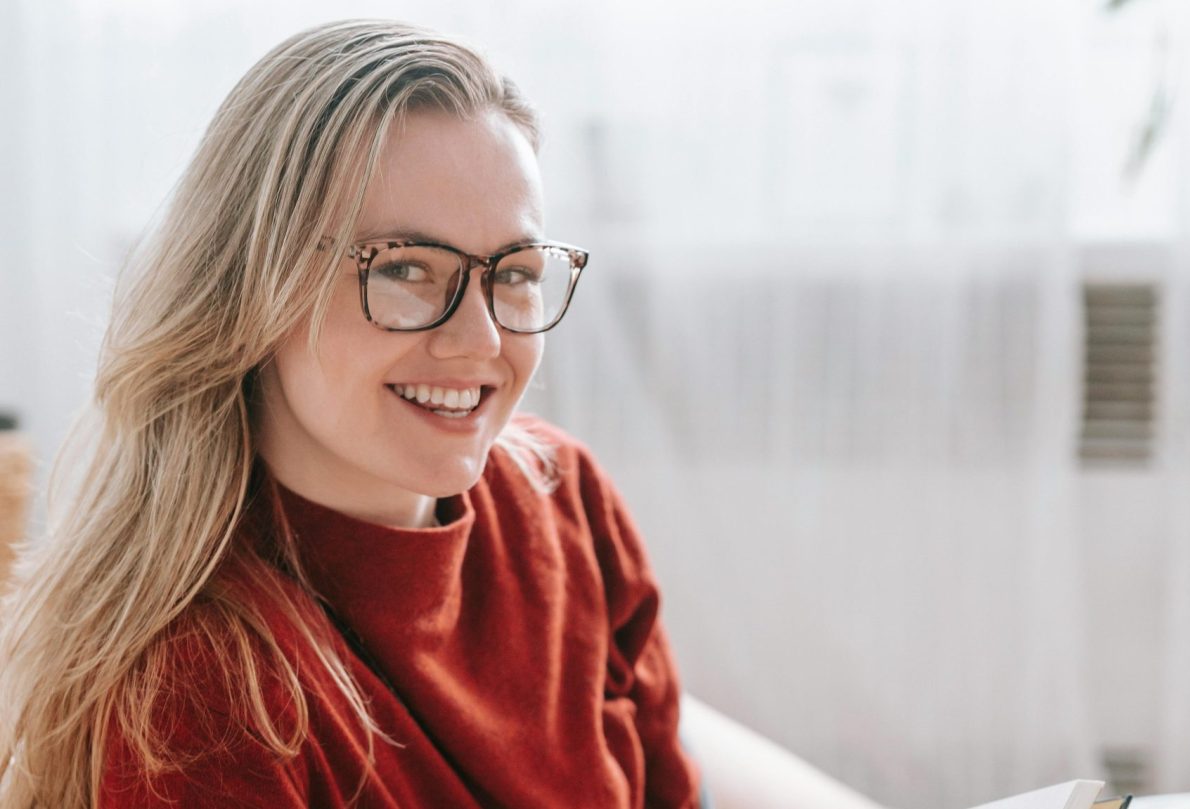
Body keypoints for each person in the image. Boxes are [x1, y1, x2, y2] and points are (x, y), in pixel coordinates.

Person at [0, 20, 703, 808]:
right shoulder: (205, 689)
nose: (480, 339)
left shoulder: (566, 498)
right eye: (405, 267)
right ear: (254, 290)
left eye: (515, 271)